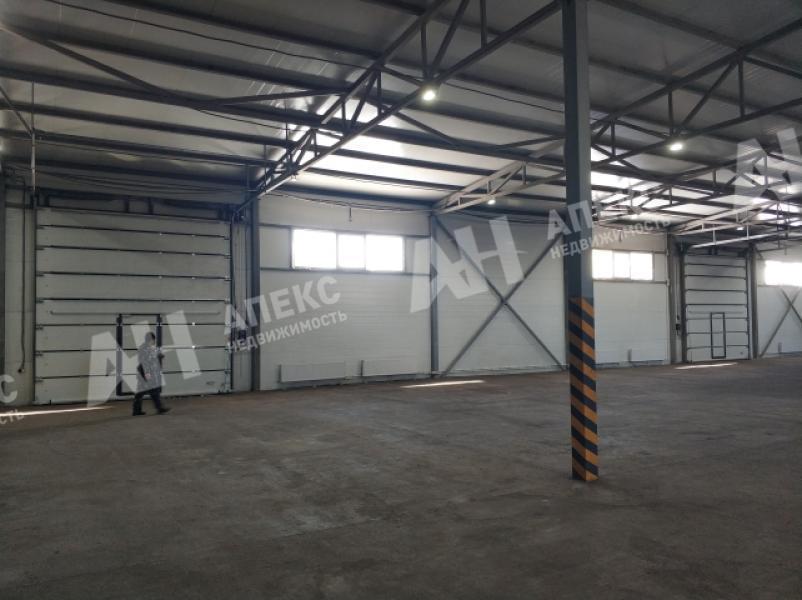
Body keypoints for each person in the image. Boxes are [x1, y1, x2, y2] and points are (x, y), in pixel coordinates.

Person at [133, 332, 170, 416]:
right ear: (151, 340)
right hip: (146, 372)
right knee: (154, 390)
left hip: (144, 373)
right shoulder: (144, 349)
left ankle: (136, 410)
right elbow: (144, 362)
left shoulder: (148, 347)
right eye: (153, 340)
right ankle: (159, 408)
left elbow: (153, 356)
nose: (154, 341)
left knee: (140, 392)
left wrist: (159, 356)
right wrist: (147, 374)